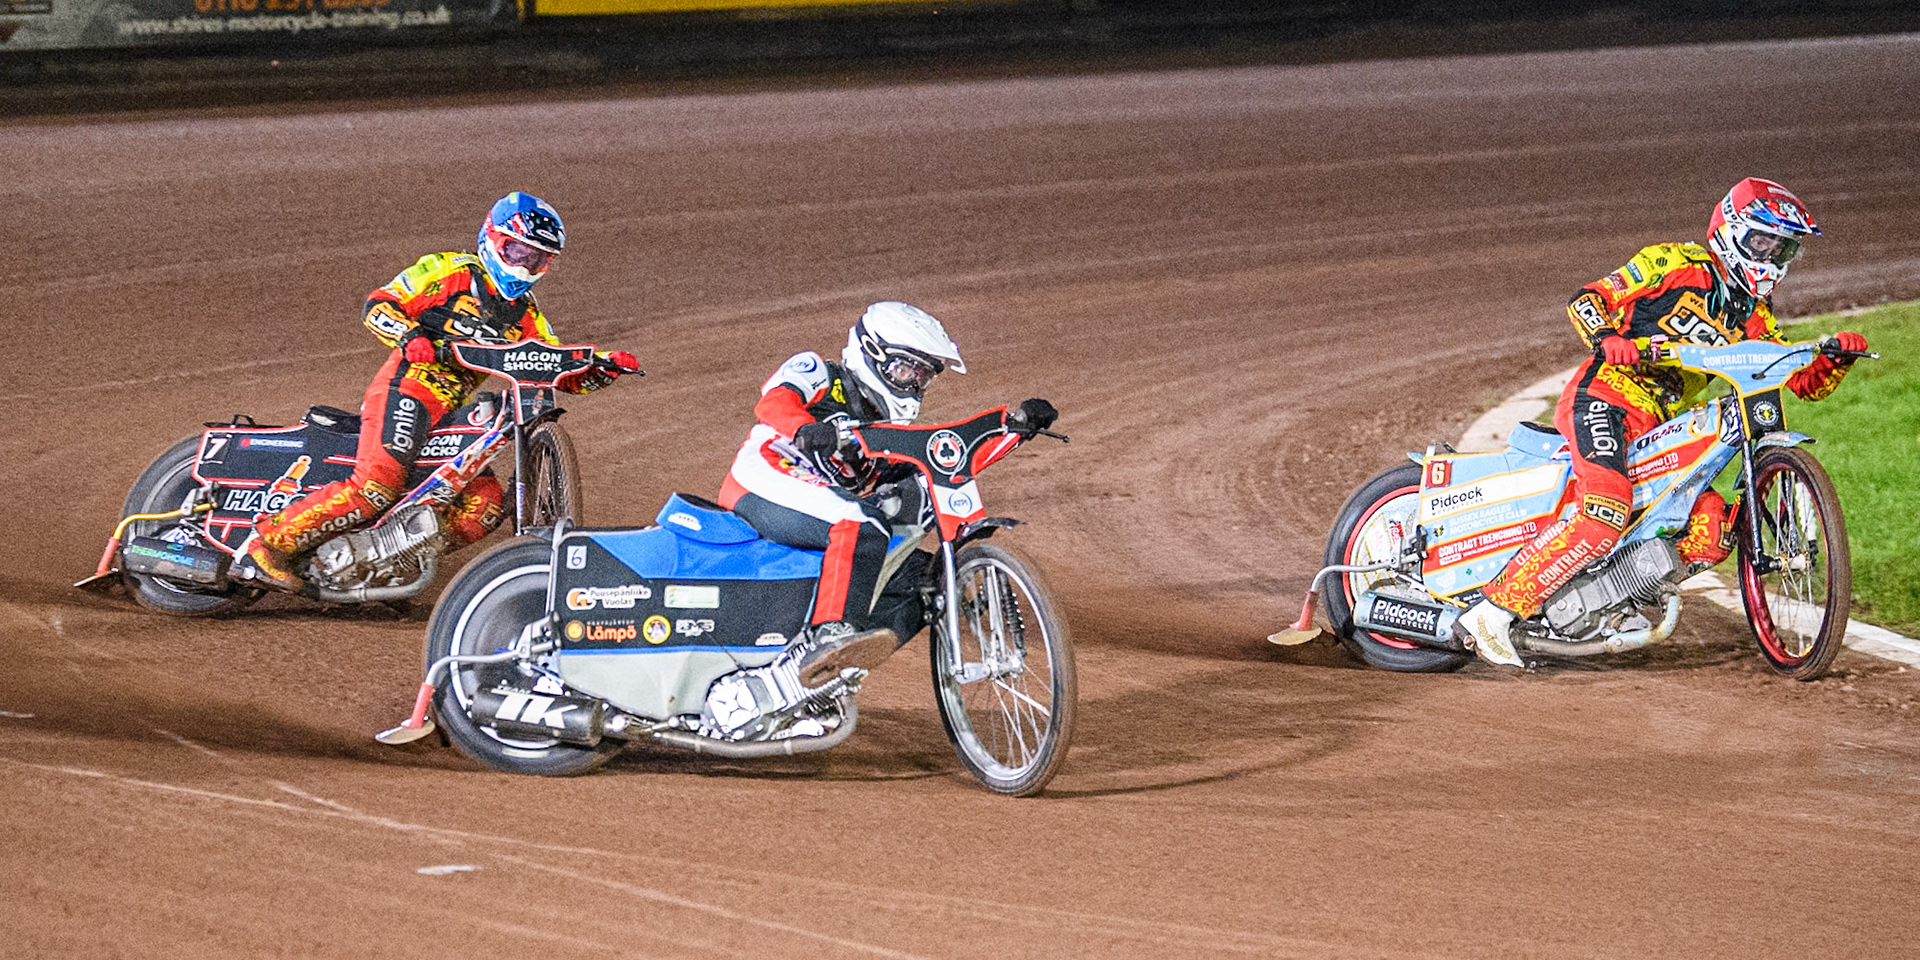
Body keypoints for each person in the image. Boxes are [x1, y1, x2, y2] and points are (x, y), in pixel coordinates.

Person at [1457, 177, 1869, 666]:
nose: (1771, 259)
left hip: (1657, 426)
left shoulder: (1755, 315)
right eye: (1763, 242)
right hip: (1603, 397)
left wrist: (1835, 358)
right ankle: (1493, 611)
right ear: (1732, 232)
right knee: (1604, 509)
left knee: (1711, 529)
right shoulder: (1674, 264)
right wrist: (1608, 337)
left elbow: (1800, 382)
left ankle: (1607, 603)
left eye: (1784, 250)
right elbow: (1587, 300)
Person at [233, 192, 637, 591]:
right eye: (516, 251)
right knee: (376, 487)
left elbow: (551, 364)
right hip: (407, 389)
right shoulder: (451, 271)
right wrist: (409, 336)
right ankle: (265, 547)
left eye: (537, 259)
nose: (525, 265)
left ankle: (387, 563)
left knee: (485, 505)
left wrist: (602, 364)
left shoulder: (526, 314)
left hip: (452, 414)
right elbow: (379, 304)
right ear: (492, 240)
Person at [718, 301, 1056, 644]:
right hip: (764, 473)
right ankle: (830, 635)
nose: (913, 384)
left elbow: (948, 459)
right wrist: (806, 428)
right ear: (872, 353)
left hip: (817, 498)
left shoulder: (883, 431)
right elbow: (773, 401)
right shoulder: (822, 373)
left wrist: (1017, 430)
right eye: (905, 370)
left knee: (924, 574)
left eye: (922, 376)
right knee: (861, 522)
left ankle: (830, 673)